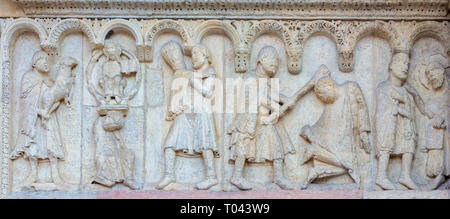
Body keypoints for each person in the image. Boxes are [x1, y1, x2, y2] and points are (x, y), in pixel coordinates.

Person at [375, 52, 435, 190]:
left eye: (407, 64)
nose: (405, 67)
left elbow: (421, 106)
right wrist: (400, 108)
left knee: (409, 142)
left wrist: (431, 114)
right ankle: (381, 176)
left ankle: (405, 175)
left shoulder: (408, 90)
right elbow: (382, 110)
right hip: (390, 125)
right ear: (391, 66)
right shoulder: (383, 87)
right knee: (386, 140)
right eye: (401, 63)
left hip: (406, 126)